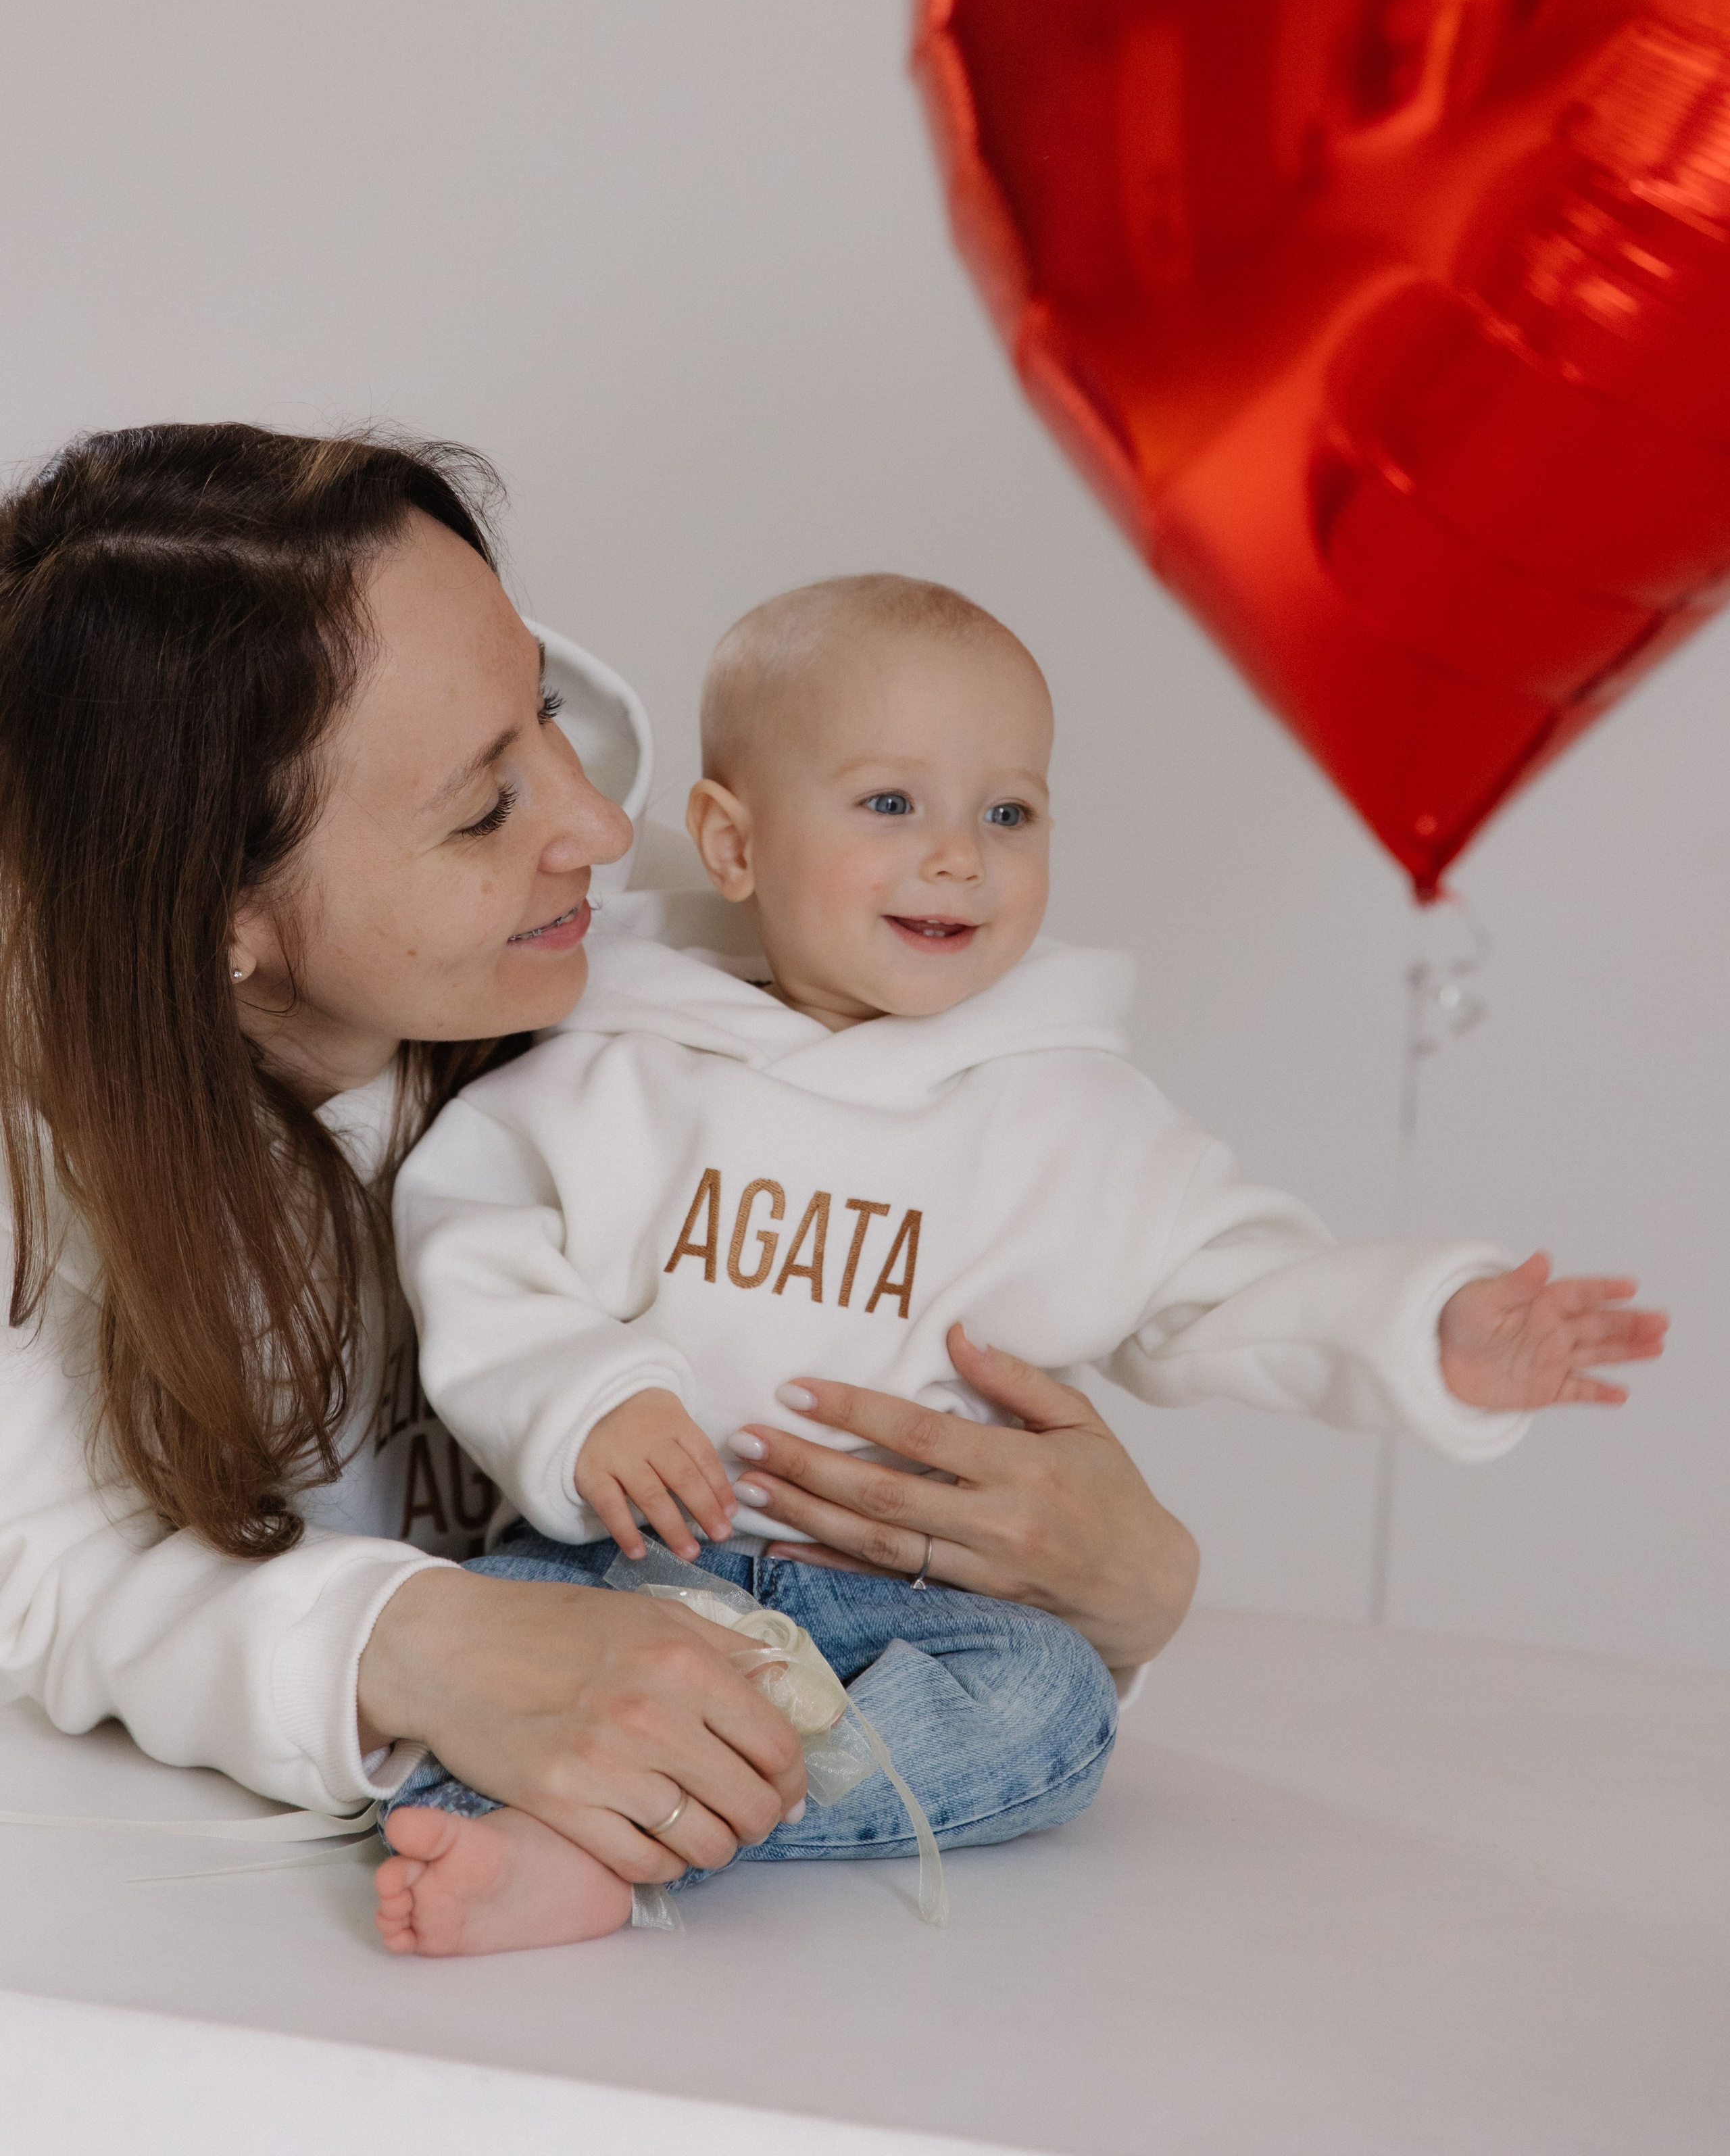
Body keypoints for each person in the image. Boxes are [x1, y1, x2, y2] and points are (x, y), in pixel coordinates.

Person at [0, 426, 1201, 1908]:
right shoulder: (44, 1175)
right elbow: (48, 1584)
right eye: (481, 805)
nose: (596, 826)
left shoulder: (648, 993)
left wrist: (1123, 1593)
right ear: (220, 918)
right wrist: (422, 1646)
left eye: (548, 711)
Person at [381, 573, 1667, 1953]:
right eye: (891, 805)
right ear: (733, 843)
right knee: (472, 1632)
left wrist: (1425, 1330)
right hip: (630, 1572)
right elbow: (474, 1229)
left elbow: (1224, 1283)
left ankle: (615, 1839)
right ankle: (616, 1809)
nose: (959, 857)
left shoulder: (1066, 1110)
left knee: (1049, 1709)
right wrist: (583, 1401)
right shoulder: (617, 1059)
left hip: (907, 1617)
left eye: (1008, 812)